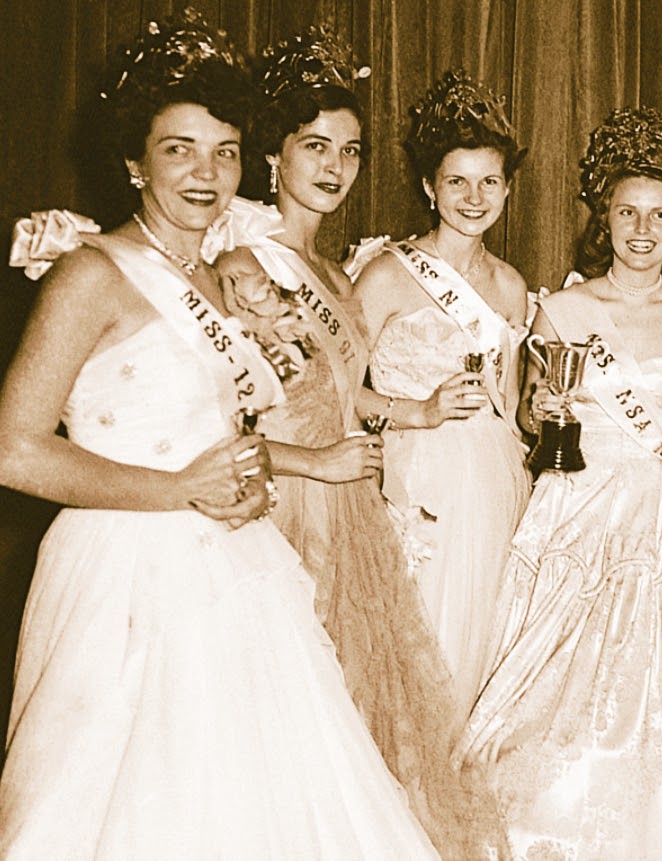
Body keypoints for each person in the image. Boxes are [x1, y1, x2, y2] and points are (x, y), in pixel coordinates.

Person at [0, 13, 437, 858]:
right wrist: (175, 491)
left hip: (238, 567)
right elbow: (14, 448)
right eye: (179, 149)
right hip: (127, 578)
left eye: (225, 150)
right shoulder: (93, 274)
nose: (206, 172)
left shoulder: (220, 274)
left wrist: (252, 476)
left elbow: (220, 430)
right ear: (133, 161)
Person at [211, 30, 506, 858]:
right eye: (314, 147)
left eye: (349, 150)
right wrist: (315, 462)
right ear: (273, 154)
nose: (334, 167)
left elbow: (347, 396)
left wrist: (412, 415)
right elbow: (222, 422)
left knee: (348, 720)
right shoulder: (244, 264)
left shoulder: (335, 272)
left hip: (348, 507)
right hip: (283, 508)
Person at [458, 107, 662, 860]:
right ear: (602, 220)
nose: (643, 229)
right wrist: (540, 407)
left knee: (654, 696)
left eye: (659, 215)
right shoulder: (562, 309)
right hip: (578, 504)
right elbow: (528, 414)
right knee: (552, 694)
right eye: (627, 212)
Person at [349, 69, 532, 718]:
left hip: (494, 484)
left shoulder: (511, 287)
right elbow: (337, 396)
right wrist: (418, 412)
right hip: (414, 478)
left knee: (483, 637)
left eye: (489, 181)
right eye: (457, 180)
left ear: (508, 187)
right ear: (430, 187)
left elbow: (514, 411)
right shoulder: (384, 275)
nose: (474, 196)